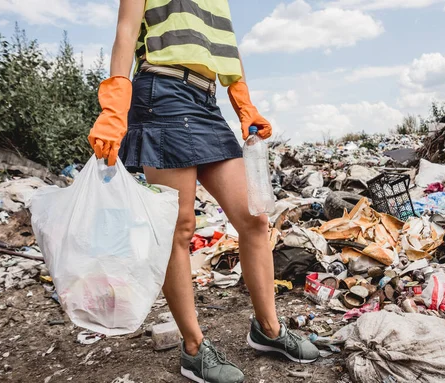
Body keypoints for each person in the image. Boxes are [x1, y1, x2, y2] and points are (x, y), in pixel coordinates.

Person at [87, 1, 319, 382]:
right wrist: (114, 107)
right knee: (180, 226)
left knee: (254, 218)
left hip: (205, 102)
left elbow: (226, 48)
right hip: (159, 93)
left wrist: (243, 104)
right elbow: (126, 32)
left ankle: (269, 329)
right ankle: (193, 348)